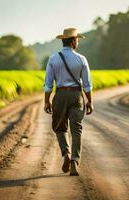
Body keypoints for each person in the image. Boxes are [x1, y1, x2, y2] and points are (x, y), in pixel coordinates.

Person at [43, 28, 93, 176]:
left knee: (59, 127)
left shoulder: (53, 59)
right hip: (76, 95)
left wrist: (47, 102)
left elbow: (48, 84)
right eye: (77, 39)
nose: (77, 42)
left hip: (60, 94)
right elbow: (87, 84)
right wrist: (89, 101)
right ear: (72, 41)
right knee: (76, 129)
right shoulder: (81, 59)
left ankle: (66, 154)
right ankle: (75, 162)